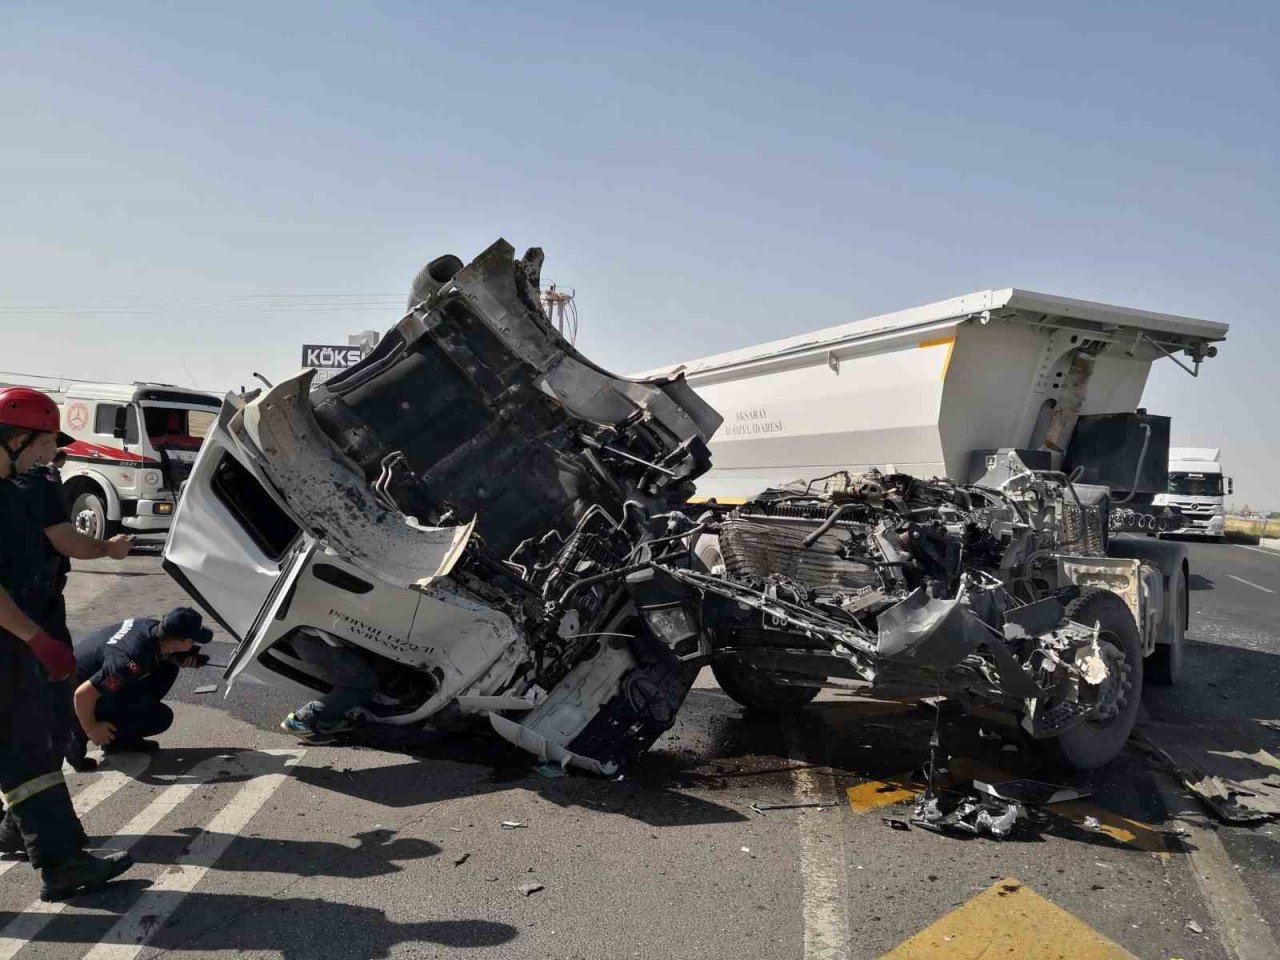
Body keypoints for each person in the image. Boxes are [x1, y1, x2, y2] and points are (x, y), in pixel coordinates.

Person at [0, 386, 134, 900]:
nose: (49, 454)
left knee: (26, 750)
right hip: (13, 638)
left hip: (19, 634)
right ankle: (62, 863)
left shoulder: (14, 487)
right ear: (16, 438)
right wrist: (38, 638)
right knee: (27, 748)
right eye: (44, 442)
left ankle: (47, 847)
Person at [70, 607, 210, 759]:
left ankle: (121, 739)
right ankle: (77, 738)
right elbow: (82, 696)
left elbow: (156, 651)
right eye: (192, 641)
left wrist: (174, 658)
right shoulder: (129, 662)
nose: (193, 644)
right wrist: (92, 729)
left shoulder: (151, 627)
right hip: (71, 696)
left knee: (167, 668)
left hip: (83, 674)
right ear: (177, 642)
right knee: (160, 718)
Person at [280, 627, 379, 743]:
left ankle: (327, 719)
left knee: (350, 680)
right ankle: (302, 718)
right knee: (364, 686)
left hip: (312, 638)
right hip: (319, 640)